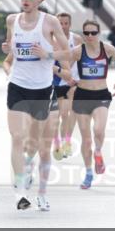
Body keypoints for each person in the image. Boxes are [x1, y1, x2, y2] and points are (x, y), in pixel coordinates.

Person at [1, 0, 71, 212]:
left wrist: (47, 54)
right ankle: (20, 191)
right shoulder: (12, 20)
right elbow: (11, 47)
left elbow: (69, 53)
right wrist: (6, 49)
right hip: (17, 85)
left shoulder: (50, 22)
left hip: (41, 89)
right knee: (17, 137)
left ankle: (27, 166)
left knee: (32, 143)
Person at [37, 19, 115, 191]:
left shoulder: (107, 49)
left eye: (93, 33)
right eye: (87, 33)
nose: (90, 36)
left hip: (101, 95)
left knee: (99, 130)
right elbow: (62, 56)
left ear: (98, 33)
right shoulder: (79, 51)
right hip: (82, 96)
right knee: (86, 140)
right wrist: (46, 56)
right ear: (83, 35)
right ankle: (89, 173)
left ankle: (98, 152)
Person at [50, 13, 77, 161]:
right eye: (60, 23)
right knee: (55, 117)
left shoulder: (76, 39)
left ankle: (67, 142)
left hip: (69, 82)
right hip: (53, 82)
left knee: (66, 115)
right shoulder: (50, 40)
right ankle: (57, 144)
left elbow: (81, 54)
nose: (63, 26)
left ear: (70, 24)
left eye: (66, 23)